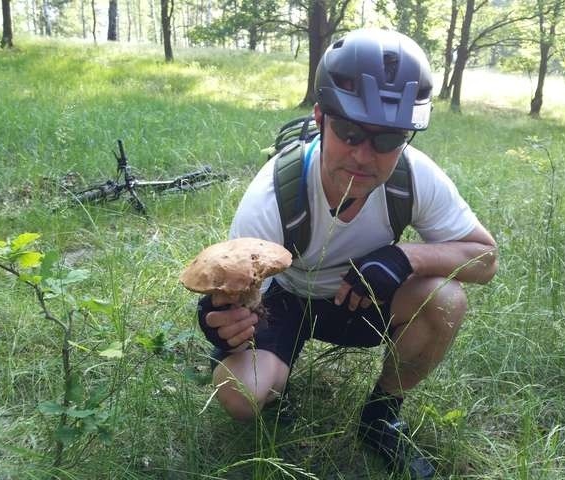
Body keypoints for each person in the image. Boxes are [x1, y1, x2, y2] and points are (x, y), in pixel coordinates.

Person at [196, 28, 498, 478]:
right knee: (240, 394)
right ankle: (278, 383)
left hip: (357, 299)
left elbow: (485, 258)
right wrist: (221, 323)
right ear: (320, 117)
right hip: (283, 301)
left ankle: (381, 416)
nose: (363, 154)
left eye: (387, 138)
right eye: (350, 130)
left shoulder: (414, 178)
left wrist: (405, 259)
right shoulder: (272, 195)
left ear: (407, 137)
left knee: (446, 300)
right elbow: (236, 285)